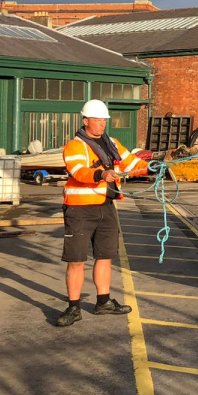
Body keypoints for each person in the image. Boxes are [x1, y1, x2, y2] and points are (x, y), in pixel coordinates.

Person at [56, 99, 149, 327]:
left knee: (104, 256)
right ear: (85, 121)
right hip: (79, 210)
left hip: (106, 207)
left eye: (104, 120)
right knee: (76, 260)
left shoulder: (113, 144)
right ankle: (73, 306)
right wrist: (101, 175)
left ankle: (103, 302)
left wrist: (154, 165)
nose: (102, 124)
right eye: (97, 120)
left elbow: (131, 163)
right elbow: (78, 171)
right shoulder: (75, 146)